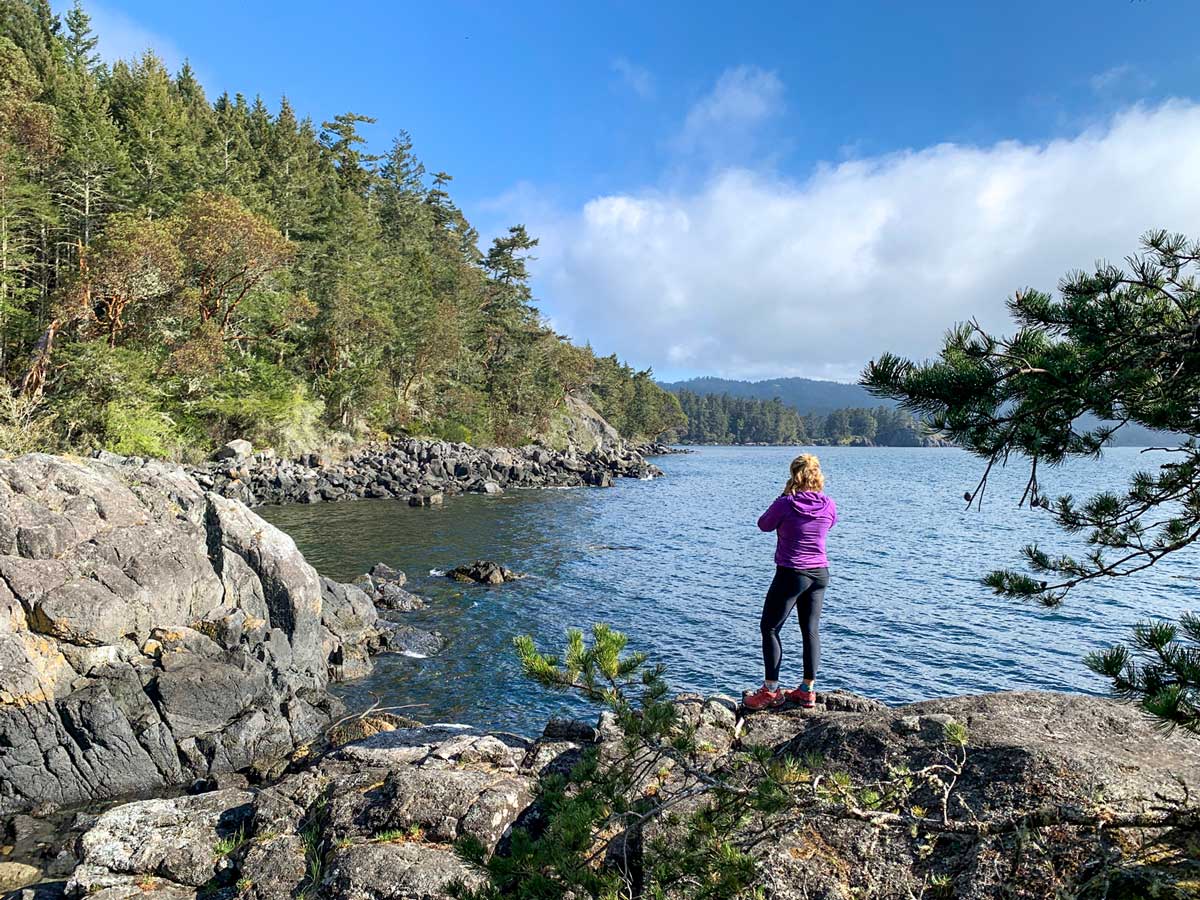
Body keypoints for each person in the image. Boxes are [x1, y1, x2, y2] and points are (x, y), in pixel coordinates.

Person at [743, 453, 837, 711]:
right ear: (817, 475)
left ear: (793, 475)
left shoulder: (786, 503)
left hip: (792, 573)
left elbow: (764, 524)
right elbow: (830, 524)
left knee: (770, 629)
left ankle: (771, 690)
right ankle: (807, 691)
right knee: (810, 630)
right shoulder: (828, 504)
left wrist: (783, 497)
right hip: (820, 573)